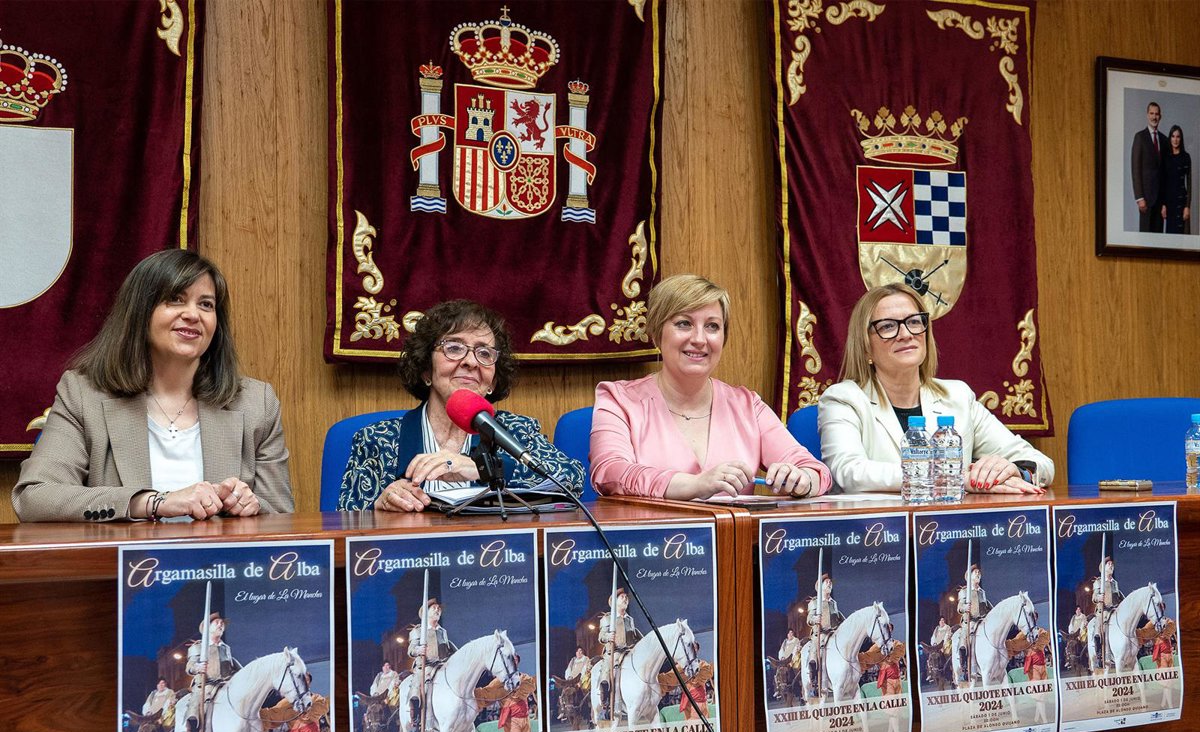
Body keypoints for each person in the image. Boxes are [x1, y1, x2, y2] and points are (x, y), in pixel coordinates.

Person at [12, 249, 293, 522]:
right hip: (123, 555)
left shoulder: (256, 403)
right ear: (140, 312)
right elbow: (35, 497)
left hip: (221, 555)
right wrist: (151, 503)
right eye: (175, 300)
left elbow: (282, 515)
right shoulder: (84, 395)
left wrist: (252, 506)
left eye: (206, 304)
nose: (193, 314)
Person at [590, 274, 831, 499]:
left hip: (736, 533)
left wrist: (802, 479)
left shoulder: (747, 405)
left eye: (712, 326)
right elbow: (609, 472)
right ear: (656, 333)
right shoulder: (619, 400)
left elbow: (816, 472)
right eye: (684, 323)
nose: (699, 339)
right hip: (651, 532)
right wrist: (694, 485)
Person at [338, 300, 584, 511]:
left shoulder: (517, 430)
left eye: (484, 353)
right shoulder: (377, 439)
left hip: (497, 550)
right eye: (454, 348)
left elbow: (571, 479)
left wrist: (484, 469)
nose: (471, 362)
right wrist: (379, 505)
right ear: (426, 369)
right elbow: (345, 520)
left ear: (492, 382)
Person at [817, 284, 1054, 493]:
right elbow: (850, 473)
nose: (906, 334)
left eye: (914, 322)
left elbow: (1040, 463)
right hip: (879, 527)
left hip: (952, 525)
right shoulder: (843, 399)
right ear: (865, 346)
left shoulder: (958, 396)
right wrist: (953, 479)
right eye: (888, 326)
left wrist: (1012, 471)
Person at [185, 613, 239, 732]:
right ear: (207, 628)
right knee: (197, 709)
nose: (221, 625)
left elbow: (231, 667)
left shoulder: (226, 648)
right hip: (206, 685)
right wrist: (197, 667)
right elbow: (189, 667)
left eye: (222, 623)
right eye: (217, 623)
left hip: (225, 684)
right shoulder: (198, 647)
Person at [406, 598, 455, 732]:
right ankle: (416, 721)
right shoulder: (418, 631)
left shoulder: (442, 631)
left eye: (439, 608)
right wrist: (418, 650)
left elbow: (448, 648)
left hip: (443, 665)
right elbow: (411, 650)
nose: (438, 610)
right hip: (426, 666)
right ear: (426, 613)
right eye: (434, 608)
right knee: (421, 689)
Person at [596, 587, 640, 721]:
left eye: (626, 598)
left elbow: (635, 635)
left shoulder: (629, 619)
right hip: (614, 652)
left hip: (629, 651)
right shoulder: (607, 618)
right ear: (614, 602)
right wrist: (608, 636)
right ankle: (606, 705)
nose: (625, 599)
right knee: (608, 675)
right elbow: (601, 636)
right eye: (622, 597)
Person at [806, 573, 843, 698]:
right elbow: (809, 619)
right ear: (819, 587)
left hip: (834, 632)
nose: (829, 584)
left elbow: (838, 617)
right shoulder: (814, 602)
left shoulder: (833, 603)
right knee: (816, 654)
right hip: (821, 633)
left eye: (830, 583)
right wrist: (814, 619)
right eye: (826, 582)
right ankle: (815, 682)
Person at [1131, 101, 1166, 232]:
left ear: (1160, 116)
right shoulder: (1140, 137)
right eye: (1152, 113)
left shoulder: (1164, 140)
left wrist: (1165, 202)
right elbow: (1135, 169)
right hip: (1145, 199)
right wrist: (1140, 197)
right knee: (1145, 237)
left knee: (1159, 239)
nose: (1154, 117)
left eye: (1156, 114)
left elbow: (1165, 173)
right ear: (1147, 115)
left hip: (1160, 200)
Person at [957, 564, 991, 683]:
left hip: (983, 620)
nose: (978, 574)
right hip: (970, 621)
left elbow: (987, 606)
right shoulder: (964, 591)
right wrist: (964, 607)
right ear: (969, 576)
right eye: (975, 572)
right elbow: (959, 607)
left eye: (979, 573)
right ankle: (964, 668)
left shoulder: (982, 592)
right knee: (965, 642)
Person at [1092, 556, 1123, 670]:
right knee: (1100, 629)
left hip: (1115, 609)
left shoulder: (1115, 583)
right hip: (1104, 610)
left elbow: (1119, 596)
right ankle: (1100, 655)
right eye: (1108, 564)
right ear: (1103, 568)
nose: (1111, 565)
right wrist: (1098, 597)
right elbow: (1094, 597)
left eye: (1112, 564)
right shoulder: (1098, 582)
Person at [1161, 124, 1192, 234]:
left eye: (1178, 136)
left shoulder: (1186, 157)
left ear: (1181, 138)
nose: (1175, 140)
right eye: (1173, 136)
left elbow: (1189, 183)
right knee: (1170, 237)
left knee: (1184, 236)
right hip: (1169, 203)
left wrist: (1187, 206)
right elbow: (1163, 183)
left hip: (1182, 202)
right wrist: (1163, 205)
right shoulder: (1166, 158)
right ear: (1170, 138)